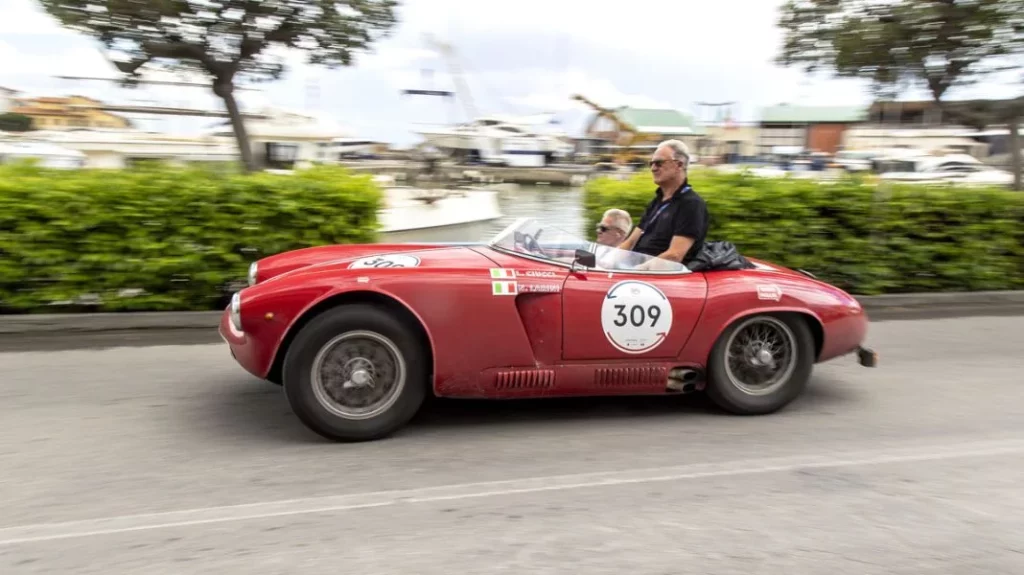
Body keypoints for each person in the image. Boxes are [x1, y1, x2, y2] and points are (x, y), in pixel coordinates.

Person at [618, 139, 709, 268]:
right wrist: (603, 263)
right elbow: (630, 243)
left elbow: (674, 255)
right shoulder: (657, 201)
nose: (653, 168)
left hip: (661, 277)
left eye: (659, 163)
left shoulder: (691, 204)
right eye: (651, 163)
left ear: (679, 165)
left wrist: (635, 271)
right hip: (638, 270)